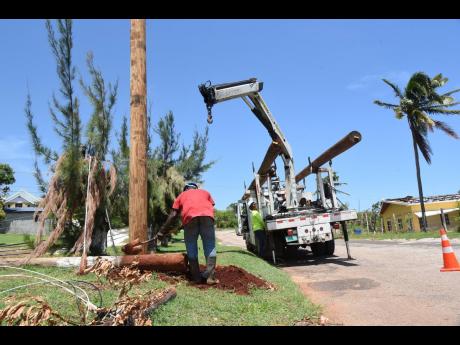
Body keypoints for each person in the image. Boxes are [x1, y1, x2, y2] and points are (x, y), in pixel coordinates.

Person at [158, 182, 219, 285]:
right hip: (208, 218)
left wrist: (162, 231)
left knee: (191, 247)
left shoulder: (182, 195)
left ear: (186, 189)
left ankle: (196, 277)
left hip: (190, 220)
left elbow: (173, 214)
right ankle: (210, 277)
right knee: (210, 246)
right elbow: (209, 205)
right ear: (196, 188)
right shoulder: (205, 192)